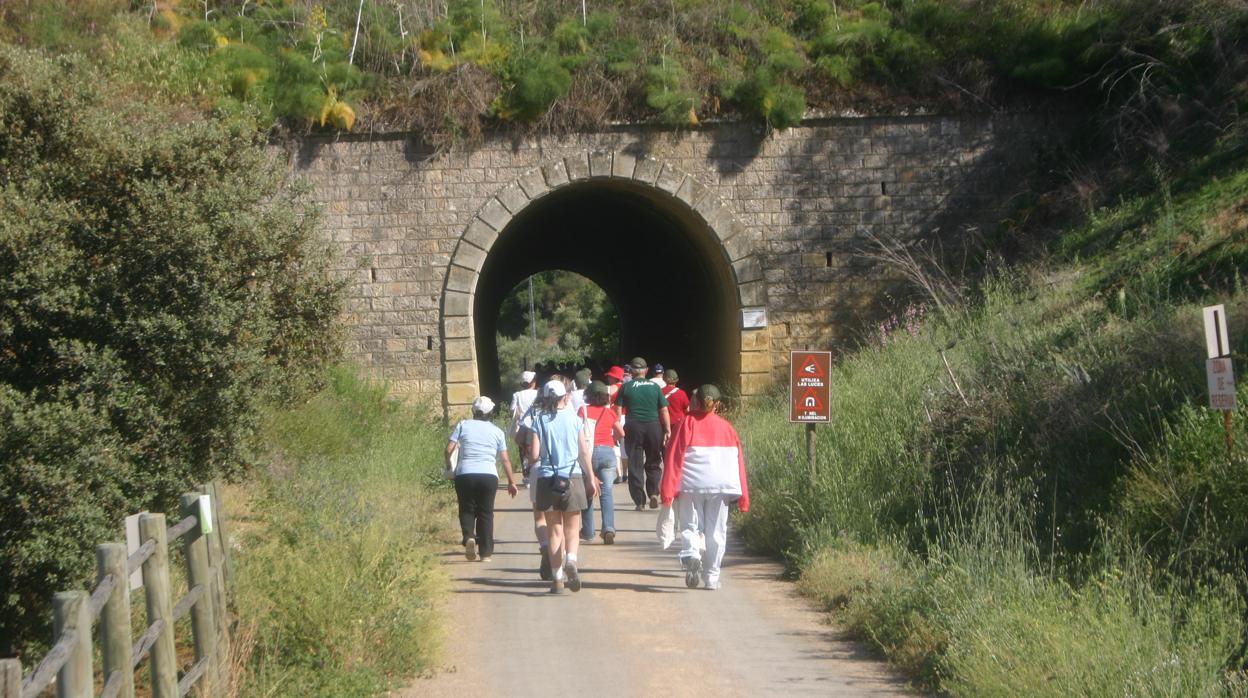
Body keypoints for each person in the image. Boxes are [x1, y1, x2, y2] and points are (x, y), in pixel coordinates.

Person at [660, 385, 750, 590]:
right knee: (716, 532)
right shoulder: (728, 428)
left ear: (695, 401)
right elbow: (739, 462)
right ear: (718, 405)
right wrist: (743, 497)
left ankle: (692, 554)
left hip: (692, 485)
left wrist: (668, 490)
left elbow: (674, 456)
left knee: (690, 526)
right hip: (720, 486)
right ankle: (711, 577)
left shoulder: (686, 423)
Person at [528, 379, 598, 593]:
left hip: (547, 478)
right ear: (564, 396)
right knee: (572, 527)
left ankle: (557, 579)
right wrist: (591, 477)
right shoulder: (574, 419)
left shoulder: (538, 420)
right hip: (572, 477)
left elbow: (534, 455)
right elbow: (583, 452)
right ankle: (572, 559)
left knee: (554, 530)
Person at [446, 396, 518, 562]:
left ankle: (469, 536)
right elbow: (505, 459)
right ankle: (485, 553)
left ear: (474, 411)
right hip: (488, 475)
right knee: (486, 513)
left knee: (466, 508)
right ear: (491, 413)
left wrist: (449, 466)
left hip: (465, 474)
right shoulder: (497, 431)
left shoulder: (463, 425)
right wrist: (511, 482)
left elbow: (449, 448)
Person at [616, 357, 670, 511]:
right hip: (653, 426)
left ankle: (639, 501)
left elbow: (618, 410)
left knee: (635, 463)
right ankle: (653, 493)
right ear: (646, 371)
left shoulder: (626, 387)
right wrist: (667, 430)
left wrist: (618, 428)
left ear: (631, 372)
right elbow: (664, 409)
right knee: (653, 461)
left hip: (633, 426)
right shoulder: (654, 387)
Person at [578, 381, 624, 544]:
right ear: (605, 396)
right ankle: (609, 528)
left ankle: (588, 531)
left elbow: (577, 431)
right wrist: (612, 440)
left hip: (589, 453)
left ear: (589, 395)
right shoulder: (609, 412)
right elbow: (621, 432)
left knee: (588, 491)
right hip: (607, 453)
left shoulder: (583, 411)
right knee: (607, 493)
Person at [603, 365, 628, 484]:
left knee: (615, 445)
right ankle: (626, 473)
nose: (608, 378)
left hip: (615, 418)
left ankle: (619, 474)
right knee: (625, 448)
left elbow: (605, 404)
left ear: (614, 377)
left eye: (610, 376)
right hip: (627, 417)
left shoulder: (610, 388)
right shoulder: (627, 387)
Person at [660, 368, 690, 435]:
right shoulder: (682, 393)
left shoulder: (659, 392)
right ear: (677, 380)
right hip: (678, 423)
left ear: (664, 379)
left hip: (663, 424)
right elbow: (688, 410)